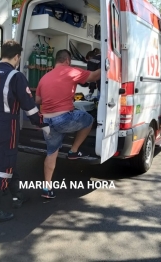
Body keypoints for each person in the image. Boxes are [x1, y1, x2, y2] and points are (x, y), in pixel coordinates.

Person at [0, 40, 49, 224]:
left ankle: (17, 195)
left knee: (0, 161)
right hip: (5, 127)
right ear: (17, 57)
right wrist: (43, 124)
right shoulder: (15, 76)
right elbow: (29, 106)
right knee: (3, 168)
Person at [35, 49, 101, 198]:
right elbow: (95, 76)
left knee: (51, 152)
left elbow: (38, 101)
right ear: (67, 61)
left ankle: (47, 189)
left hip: (46, 121)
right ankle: (73, 151)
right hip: (63, 118)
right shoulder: (71, 71)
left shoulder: (44, 78)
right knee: (88, 119)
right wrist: (108, 64)